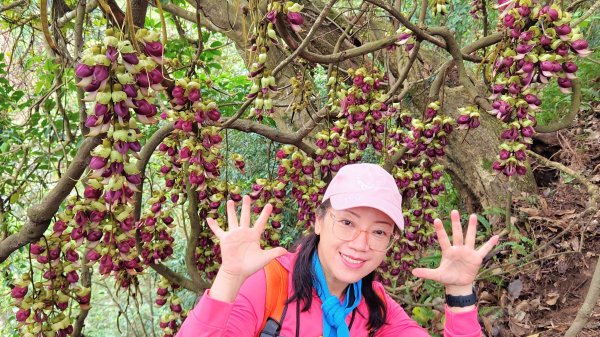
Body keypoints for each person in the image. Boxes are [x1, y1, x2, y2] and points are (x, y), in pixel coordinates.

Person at [176, 163, 499, 337]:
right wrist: (230, 277)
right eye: (346, 223)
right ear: (318, 221)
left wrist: (460, 293)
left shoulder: (373, 304)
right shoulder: (270, 284)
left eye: (378, 231)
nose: (361, 243)